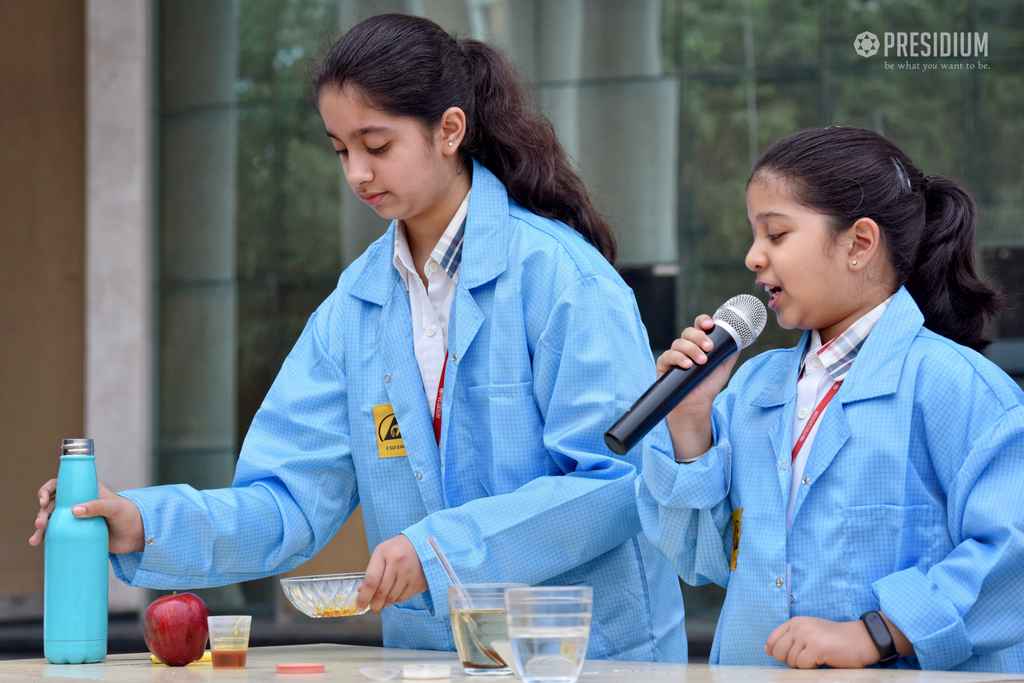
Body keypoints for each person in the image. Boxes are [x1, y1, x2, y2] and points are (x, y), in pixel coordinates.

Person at [30, 14, 686, 662]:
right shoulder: (355, 307)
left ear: (449, 130)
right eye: (341, 149)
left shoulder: (562, 275)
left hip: (588, 659)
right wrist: (142, 522)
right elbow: (285, 500)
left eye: (377, 145)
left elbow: (615, 483)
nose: (357, 174)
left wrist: (439, 550)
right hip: (434, 661)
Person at [636, 126, 1024, 671]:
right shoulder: (751, 388)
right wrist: (689, 420)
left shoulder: (956, 386)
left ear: (859, 244)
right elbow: (702, 560)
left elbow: (1011, 556)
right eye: (754, 236)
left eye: (775, 235)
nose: (753, 257)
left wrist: (880, 634)